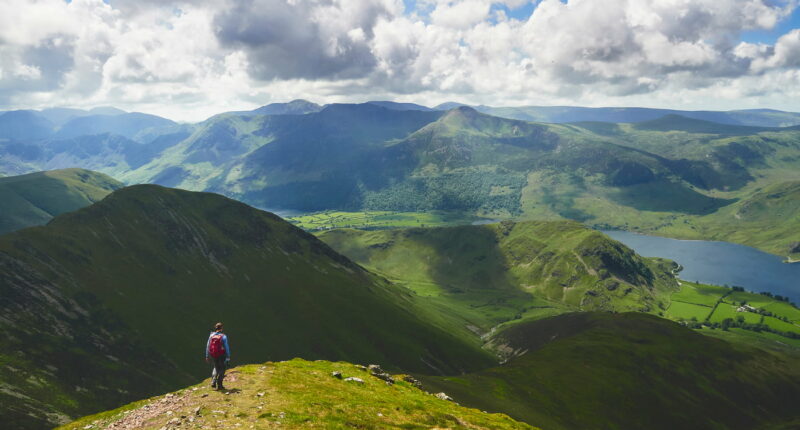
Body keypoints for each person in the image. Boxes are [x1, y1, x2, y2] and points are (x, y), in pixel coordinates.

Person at [205, 322, 231, 390]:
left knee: (216, 367)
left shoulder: (211, 335)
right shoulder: (223, 336)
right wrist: (228, 356)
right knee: (222, 368)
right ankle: (219, 385)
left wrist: (207, 355)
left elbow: (208, 346)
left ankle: (213, 381)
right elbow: (226, 347)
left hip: (213, 354)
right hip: (221, 355)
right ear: (221, 328)